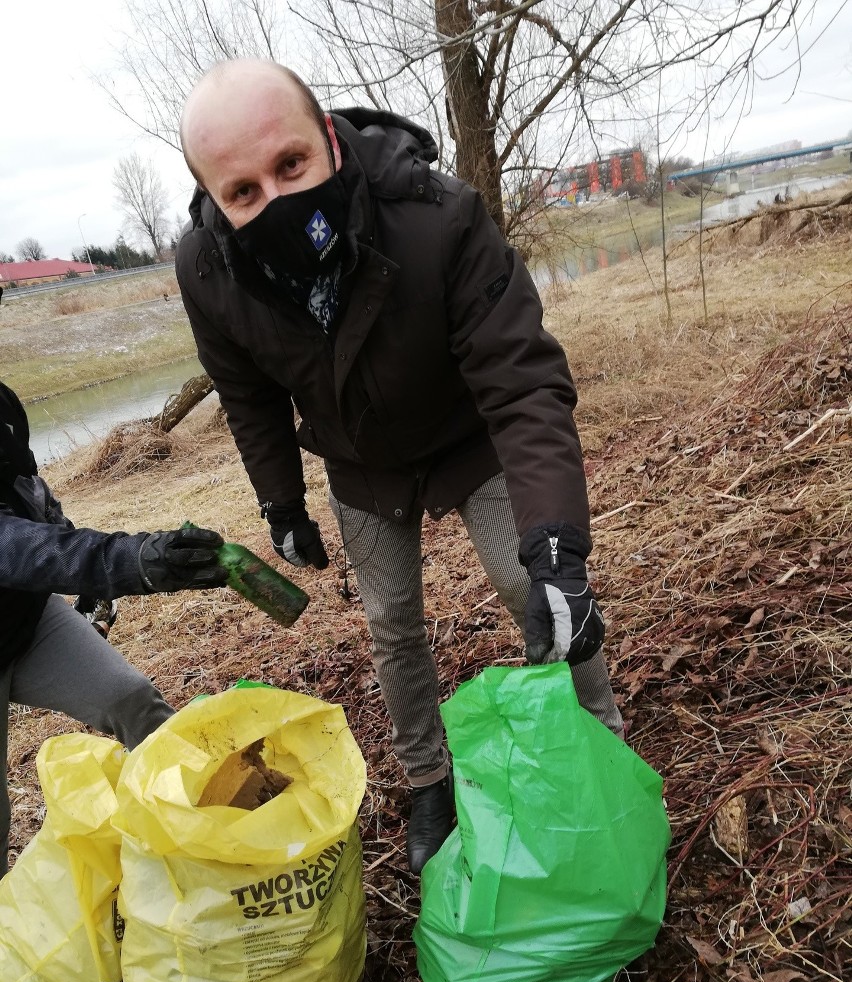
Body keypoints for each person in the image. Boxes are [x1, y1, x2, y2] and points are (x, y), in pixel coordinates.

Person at [176, 59, 624, 874]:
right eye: (242, 192)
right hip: (360, 460)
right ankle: (429, 780)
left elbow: (523, 382)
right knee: (391, 623)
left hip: (465, 433)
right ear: (212, 199)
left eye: (291, 164)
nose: (275, 200)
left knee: (536, 585)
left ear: (330, 143)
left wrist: (559, 542)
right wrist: (281, 504)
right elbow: (247, 397)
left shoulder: (437, 215)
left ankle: (598, 746)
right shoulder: (209, 273)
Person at [0, 380, 227, 877]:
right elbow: (13, 546)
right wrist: (133, 562)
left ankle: (213, 831)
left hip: (25, 620)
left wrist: (90, 585)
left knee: (131, 699)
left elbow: (31, 497)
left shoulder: (2, 404)